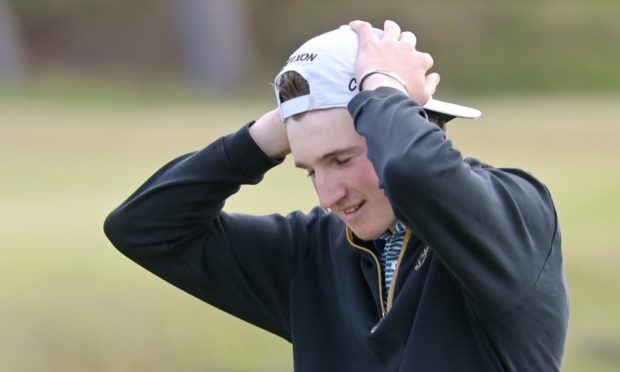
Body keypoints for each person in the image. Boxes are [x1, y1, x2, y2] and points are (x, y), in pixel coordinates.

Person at [104, 20, 569, 371]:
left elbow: (412, 170)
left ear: (410, 122)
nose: (328, 195)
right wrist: (269, 134)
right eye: (309, 169)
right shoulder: (309, 253)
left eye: (342, 160)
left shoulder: (517, 215)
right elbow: (145, 228)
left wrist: (384, 89)